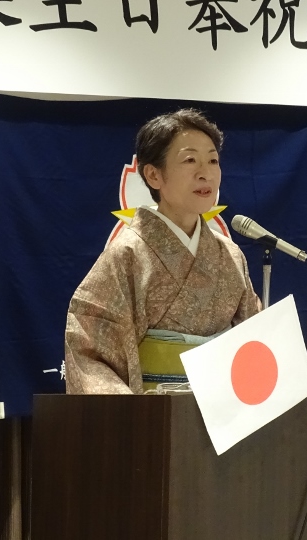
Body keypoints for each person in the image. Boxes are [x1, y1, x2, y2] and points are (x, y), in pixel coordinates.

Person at [64, 109, 260, 394]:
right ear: (154, 175)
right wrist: (135, 413)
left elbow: (252, 339)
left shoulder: (230, 255)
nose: (205, 173)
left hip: (223, 407)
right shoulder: (127, 255)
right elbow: (90, 354)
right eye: (190, 160)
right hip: (152, 412)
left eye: (213, 160)